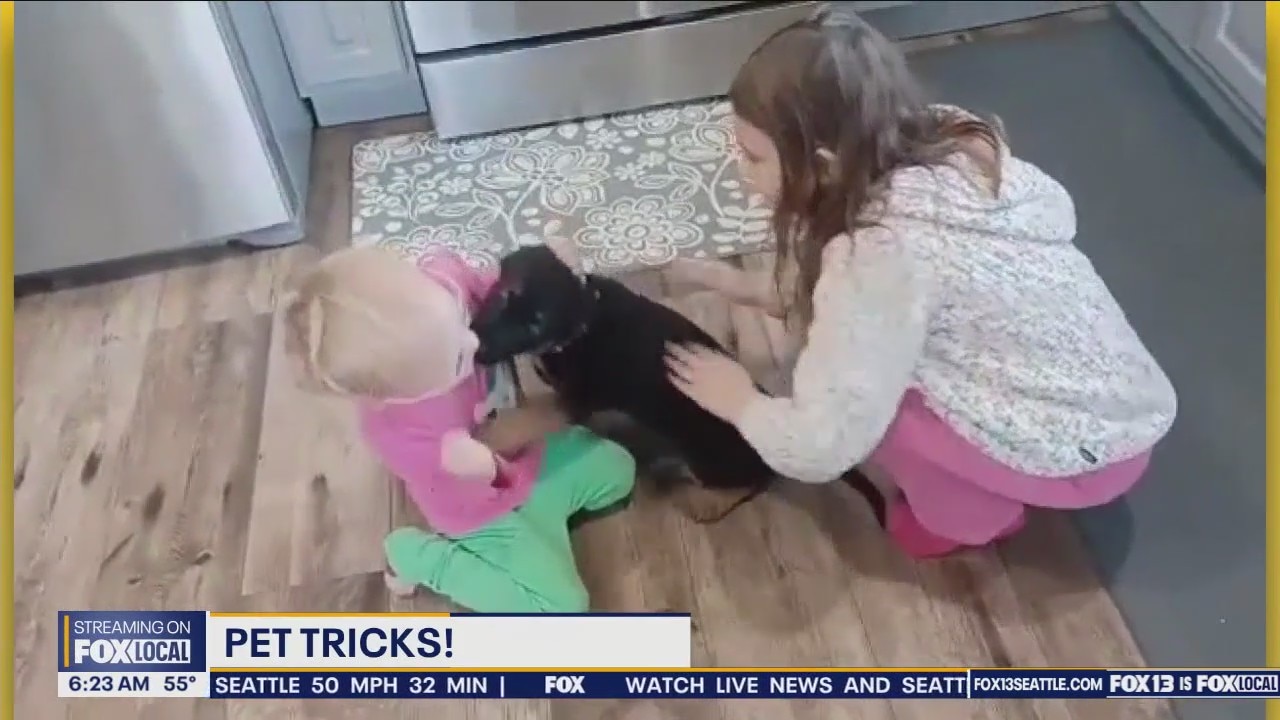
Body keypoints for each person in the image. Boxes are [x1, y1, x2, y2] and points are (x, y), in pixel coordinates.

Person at [662, 5, 1177, 559]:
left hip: (1078, 459)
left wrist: (742, 403)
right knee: (876, 360)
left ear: (825, 166)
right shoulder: (949, 157)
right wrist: (739, 285)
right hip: (1124, 412)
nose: (740, 171)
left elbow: (827, 437)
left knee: (883, 409)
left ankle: (967, 521)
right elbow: (873, 302)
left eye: (753, 157)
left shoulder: (883, 254)